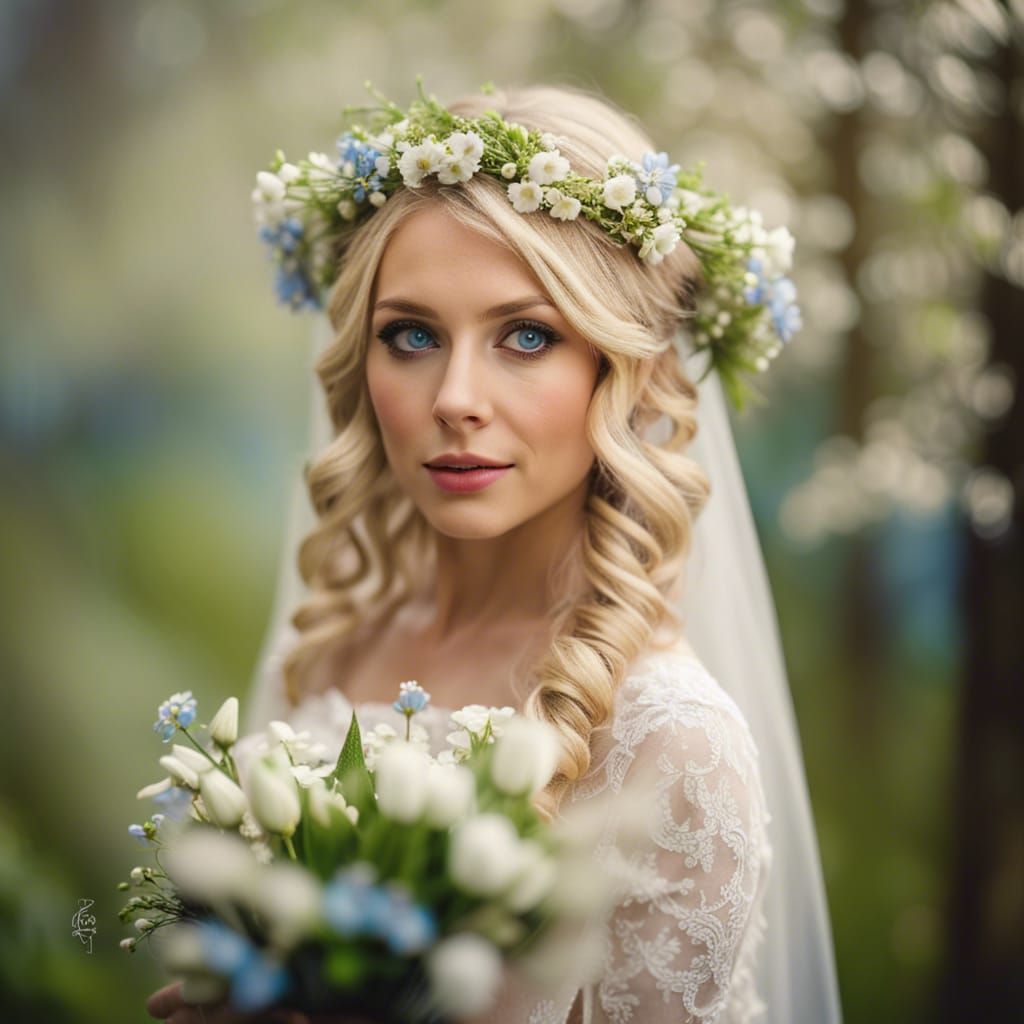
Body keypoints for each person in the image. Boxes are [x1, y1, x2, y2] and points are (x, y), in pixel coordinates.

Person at [147, 81, 842, 1023]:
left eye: (525, 335)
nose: (455, 399)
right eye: (412, 335)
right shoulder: (328, 651)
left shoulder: (672, 743)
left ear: (620, 369)